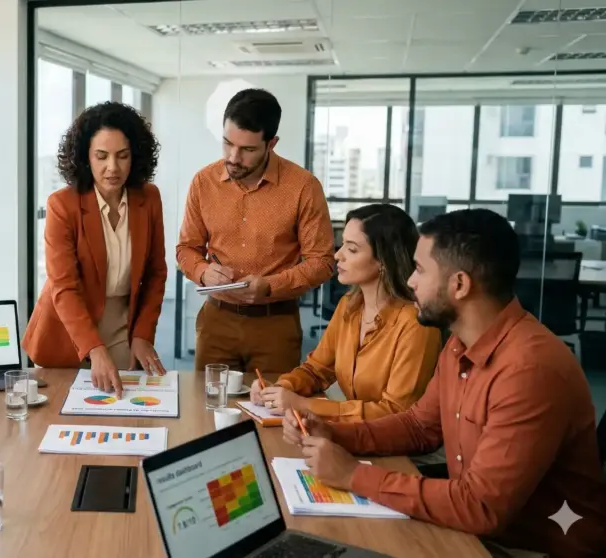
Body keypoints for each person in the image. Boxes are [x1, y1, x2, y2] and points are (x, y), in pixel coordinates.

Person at [283, 209, 606, 557]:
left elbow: (481, 508)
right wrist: (335, 433)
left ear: (460, 285)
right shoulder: (460, 343)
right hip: (479, 530)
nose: (409, 281)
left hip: (533, 547)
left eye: (420, 270)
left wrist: (352, 476)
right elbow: (419, 427)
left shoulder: (530, 370)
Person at [177, 88, 334, 378]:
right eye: (227, 144)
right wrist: (202, 271)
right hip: (216, 321)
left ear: (271, 143)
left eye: (248, 149)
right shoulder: (203, 182)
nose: (233, 157)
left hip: (275, 324)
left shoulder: (303, 187)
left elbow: (322, 262)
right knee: (206, 411)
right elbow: (186, 249)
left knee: (270, 417)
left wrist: (271, 286)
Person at [23, 101, 168, 397]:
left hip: (122, 322)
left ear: (135, 157)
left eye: (122, 156)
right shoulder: (62, 205)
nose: (112, 168)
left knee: (120, 410)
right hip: (68, 327)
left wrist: (142, 334)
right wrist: (93, 348)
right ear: (85, 158)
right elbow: (64, 287)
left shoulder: (149, 198)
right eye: (101, 156)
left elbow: (156, 272)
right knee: (59, 420)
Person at [250, 204, 441, 421]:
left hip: (401, 448)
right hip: (358, 434)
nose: (338, 255)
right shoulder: (349, 305)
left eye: (352, 249)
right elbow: (317, 369)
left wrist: (305, 405)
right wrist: (280, 388)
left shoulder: (415, 324)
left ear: (384, 261)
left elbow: (396, 412)